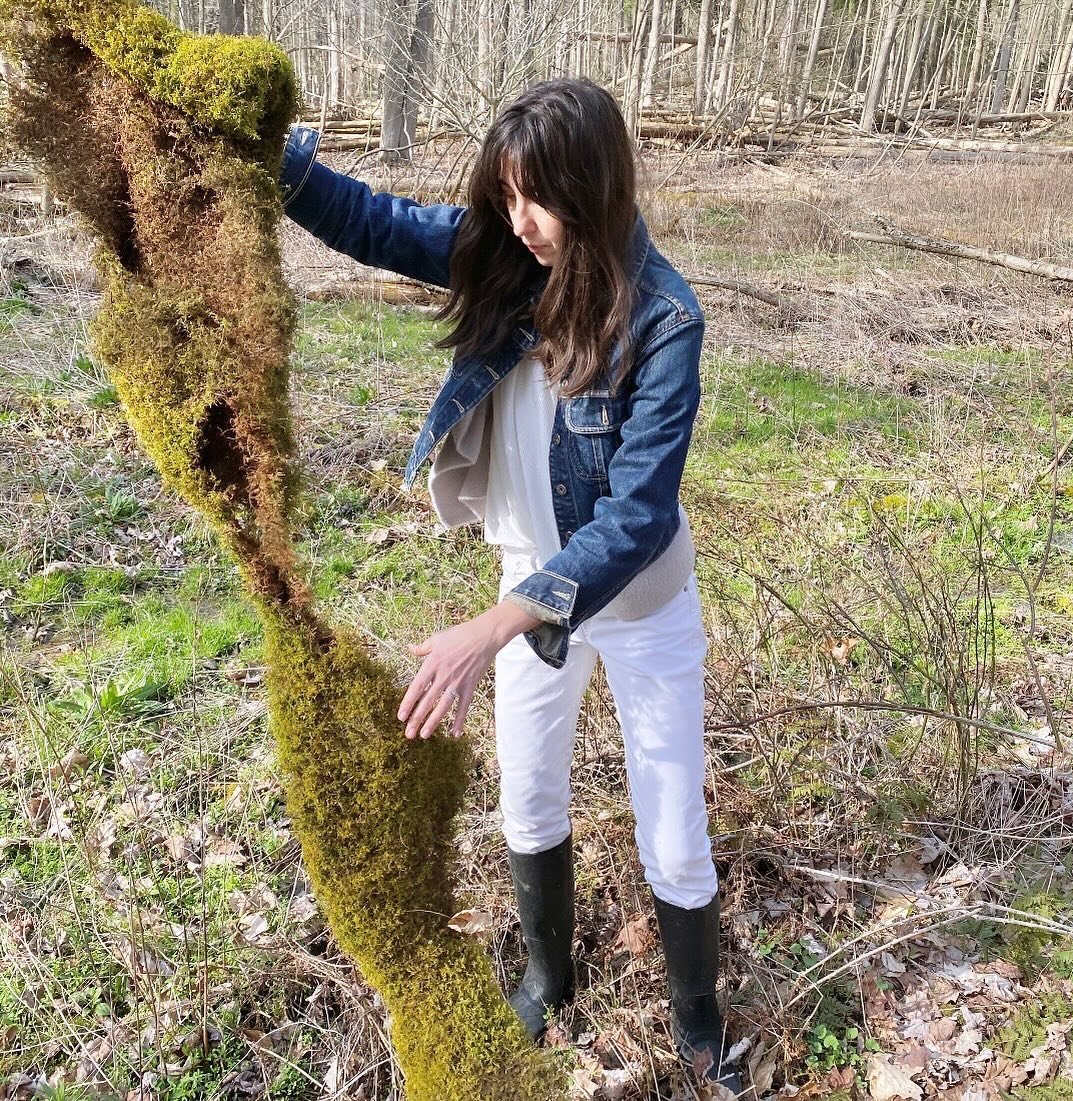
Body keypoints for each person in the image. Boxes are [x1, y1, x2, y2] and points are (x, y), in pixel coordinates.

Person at [279, 77, 745, 1094]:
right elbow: (371, 220)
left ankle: (697, 1011)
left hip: (642, 609)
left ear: (598, 188)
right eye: (506, 194)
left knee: (671, 826)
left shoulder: (665, 321)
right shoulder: (502, 253)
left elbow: (638, 514)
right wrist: (275, 166)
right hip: (524, 599)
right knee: (528, 798)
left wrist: (491, 625)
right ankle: (548, 972)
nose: (521, 222)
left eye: (540, 198)